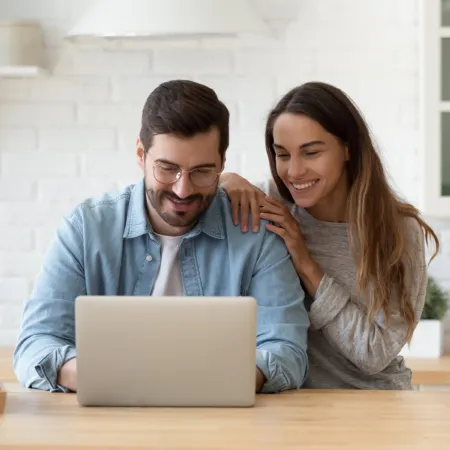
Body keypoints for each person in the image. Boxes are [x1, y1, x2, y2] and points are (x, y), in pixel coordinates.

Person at [13, 80, 309, 393]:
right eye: (166, 169)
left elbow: (287, 352)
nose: (183, 189)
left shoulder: (255, 234)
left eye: (202, 171)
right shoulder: (86, 229)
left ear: (222, 163)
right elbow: (36, 345)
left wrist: (200, 383)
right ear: (141, 154)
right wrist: (109, 377)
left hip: (223, 424)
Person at [220, 81, 439, 390]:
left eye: (311, 152)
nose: (294, 171)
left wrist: (306, 263)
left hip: (375, 403)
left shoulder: (398, 231)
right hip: (290, 403)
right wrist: (227, 179)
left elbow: (373, 354)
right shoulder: (272, 203)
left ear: (348, 148)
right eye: (282, 154)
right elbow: (192, 188)